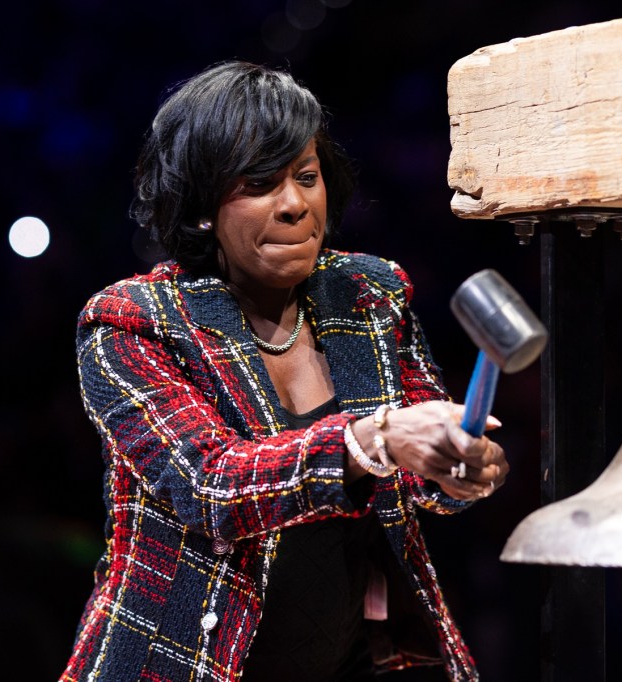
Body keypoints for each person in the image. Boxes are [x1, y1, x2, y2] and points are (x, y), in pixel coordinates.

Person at [60, 60, 509, 682]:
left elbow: (418, 472)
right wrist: (375, 440)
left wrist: (458, 467)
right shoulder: (133, 321)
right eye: (259, 184)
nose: (295, 204)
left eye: (306, 176)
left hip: (352, 659)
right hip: (182, 663)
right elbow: (211, 490)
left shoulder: (369, 293)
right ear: (198, 207)